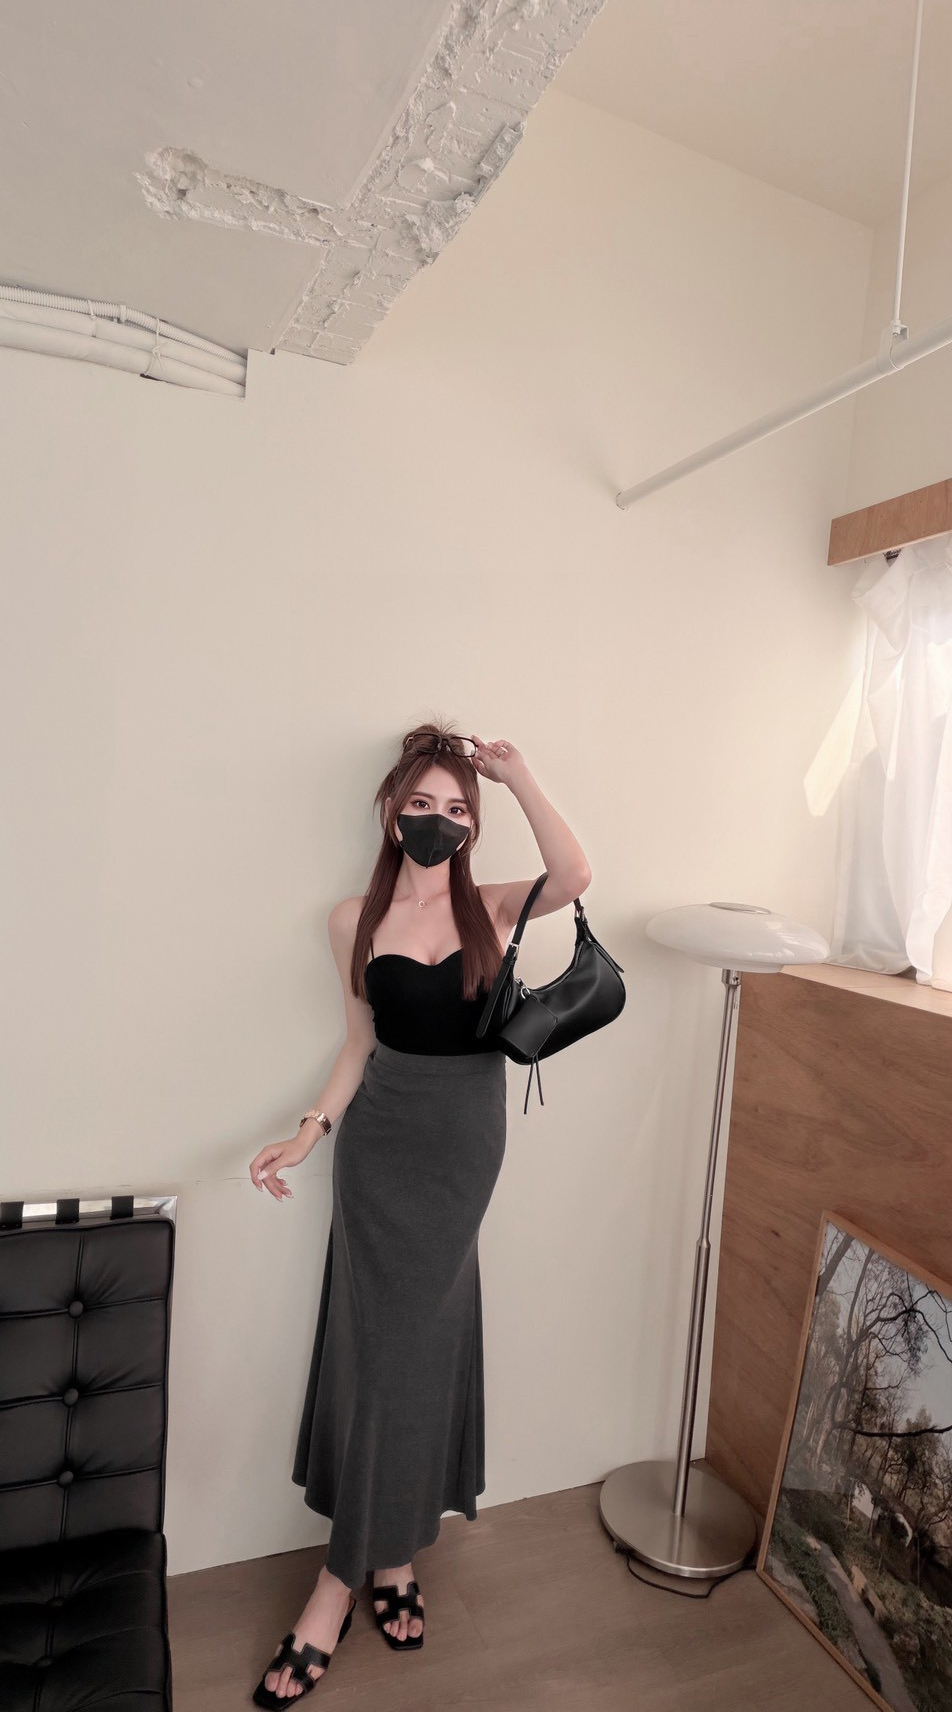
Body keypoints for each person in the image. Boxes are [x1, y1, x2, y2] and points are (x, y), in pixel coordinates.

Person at [249, 723, 592, 1704]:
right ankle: (370, 1568)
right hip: (378, 1143)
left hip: (462, 1146)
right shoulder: (350, 920)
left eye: (455, 809)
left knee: (413, 1352)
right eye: (421, 805)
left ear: (471, 823)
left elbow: (575, 872)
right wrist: (309, 1130)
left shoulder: (494, 905)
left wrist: (515, 775)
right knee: (380, 1357)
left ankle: (356, 1572)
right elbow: (357, 1042)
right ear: (390, 812)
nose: (437, 822)